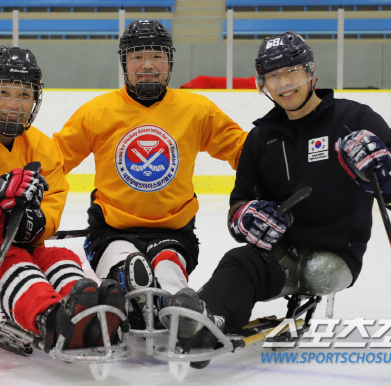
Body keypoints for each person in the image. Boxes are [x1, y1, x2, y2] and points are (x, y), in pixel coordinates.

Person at [170, 31, 391, 365]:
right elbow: (238, 205)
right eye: (273, 76)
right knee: (239, 260)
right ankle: (206, 320)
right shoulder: (260, 139)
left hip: (337, 253)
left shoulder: (354, 119)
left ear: (311, 71)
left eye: (292, 72)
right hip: (282, 250)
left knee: (319, 272)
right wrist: (247, 217)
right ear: (263, 85)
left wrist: (384, 170)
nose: (283, 84)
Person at [0, 46, 124, 354]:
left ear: (35, 100)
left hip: (23, 252)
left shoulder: (43, 149)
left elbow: (51, 211)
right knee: (13, 262)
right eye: (4, 92)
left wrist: (34, 224)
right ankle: (52, 320)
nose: (13, 105)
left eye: (24, 95)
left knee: (58, 257)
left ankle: (89, 312)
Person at [53, 20, 248, 328]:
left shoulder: (197, 110)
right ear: (124, 63)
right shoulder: (97, 113)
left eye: (156, 56)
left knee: (168, 268)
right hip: (111, 231)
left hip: (174, 233)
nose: (147, 65)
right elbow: (53, 160)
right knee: (128, 270)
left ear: (169, 61)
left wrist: (289, 166)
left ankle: (178, 308)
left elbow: (244, 152)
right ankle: (134, 297)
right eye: (136, 57)